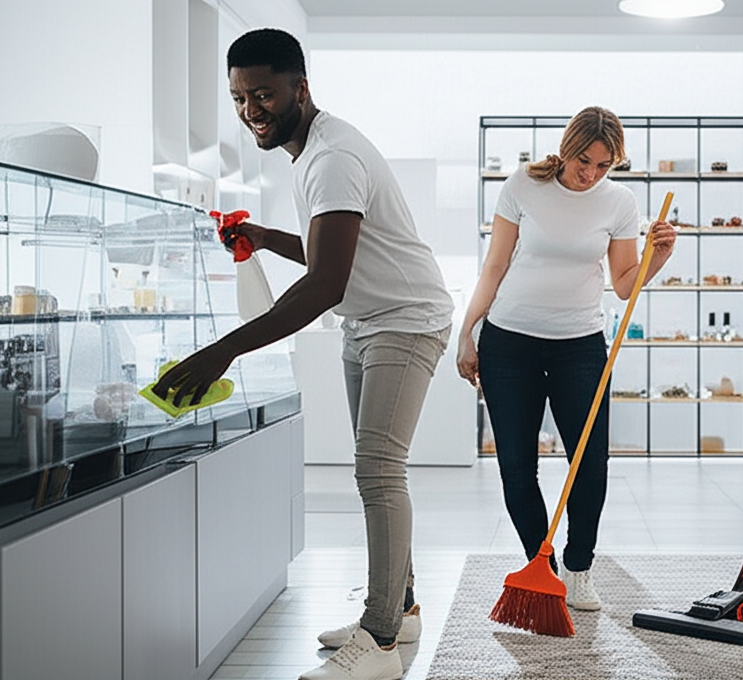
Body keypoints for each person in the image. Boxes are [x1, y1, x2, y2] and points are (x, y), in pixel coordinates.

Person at [153, 28, 453, 680]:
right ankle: (398, 609)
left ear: (300, 88)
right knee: (375, 468)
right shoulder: (313, 151)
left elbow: (325, 283)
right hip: (367, 320)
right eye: (238, 97)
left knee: (378, 469)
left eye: (263, 93)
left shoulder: (332, 156)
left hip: (405, 320)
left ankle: (378, 642)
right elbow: (329, 253)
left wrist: (222, 352)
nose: (250, 110)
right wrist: (264, 237)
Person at [457, 106, 676, 610]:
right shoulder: (522, 185)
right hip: (509, 342)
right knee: (517, 465)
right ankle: (542, 567)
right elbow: (494, 266)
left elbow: (624, 286)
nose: (591, 175)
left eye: (604, 166)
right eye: (584, 161)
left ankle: (578, 568)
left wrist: (655, 259)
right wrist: (467, 332)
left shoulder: (619, 201)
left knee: (589, 463)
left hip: (580, 343)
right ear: (567, 147)